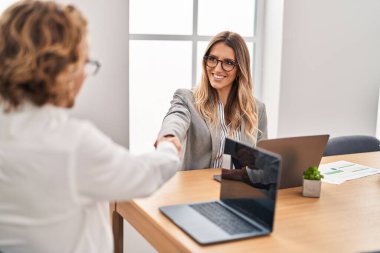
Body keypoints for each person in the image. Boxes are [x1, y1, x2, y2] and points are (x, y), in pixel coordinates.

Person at [0, 1, 181, 253]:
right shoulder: (70, 144)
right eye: (84, 62)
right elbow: (145, 176)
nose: (85, 74)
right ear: (61, 69)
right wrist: (168, 146)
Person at [157, 31, 268, 170]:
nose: (217, 68)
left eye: (228, 62)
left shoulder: (257, 109)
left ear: (240, 69)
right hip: (197, 189)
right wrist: (168, 136)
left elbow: (263, 162)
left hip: (238, 190)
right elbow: (175, 118)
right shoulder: (187, 99)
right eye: (212, 59)